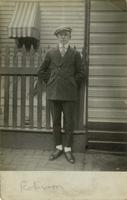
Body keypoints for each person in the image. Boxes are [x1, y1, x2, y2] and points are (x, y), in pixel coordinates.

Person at [38, 25, 85, 164]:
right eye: (60, 35)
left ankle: (68, 149)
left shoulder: (76, 54)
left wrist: (71, 82)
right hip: (54, 93)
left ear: (70, 36)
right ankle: (58, 147)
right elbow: (41, 71)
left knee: (69, 122)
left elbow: (82, 73)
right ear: (57, 37)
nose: (63, 37)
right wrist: (51, 81)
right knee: (56, 122)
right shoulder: (51, 53)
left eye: (66, 34)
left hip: (69, 94)